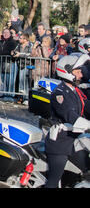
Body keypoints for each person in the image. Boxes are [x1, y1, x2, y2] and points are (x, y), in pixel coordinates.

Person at [44, 54, 90, 188]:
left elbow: (87, 106)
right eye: (77, 72)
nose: (81, 75)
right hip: (60, 142)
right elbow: (69, 115)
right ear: (67, 72)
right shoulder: (60, 93)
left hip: (75, 139)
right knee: (54, 179)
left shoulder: (75, 90)